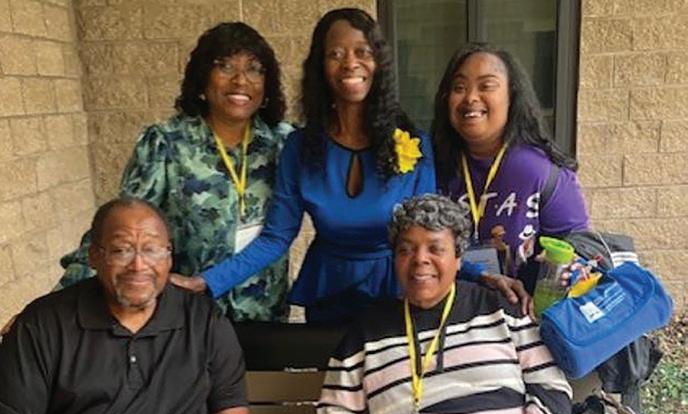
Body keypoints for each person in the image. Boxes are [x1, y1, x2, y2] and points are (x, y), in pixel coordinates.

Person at [172, 9, 526, 323]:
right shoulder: (300, 147)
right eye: (336, 54)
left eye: (362, 52)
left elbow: (433, 235)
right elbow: (276, 238)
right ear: (321, 67)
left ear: (378, 63)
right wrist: (206, 282)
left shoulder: (414, 144)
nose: (350, 63)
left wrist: (481, 275)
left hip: (398, 292)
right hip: (330, 295)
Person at [57, 22, 293, 322]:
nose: (240, 80)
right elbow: (119, 225)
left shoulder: (283, 143)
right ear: (202, 78)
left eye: (254, 69)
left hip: (266, 316)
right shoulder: (167, 144)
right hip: (188, 316)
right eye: (225, 66)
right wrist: (55, 306)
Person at [317, 194, 572, 414]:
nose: (420, 259)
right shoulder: (368, 330)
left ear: (459, 259)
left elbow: (551, 388)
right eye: (406, 250)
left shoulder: (502, 310)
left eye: (435, 249)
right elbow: (337, 412)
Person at [0, 198, 249, 414]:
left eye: (152, 250)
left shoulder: (203, 319)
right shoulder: (41, 325)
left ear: (169, 256)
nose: (139, 266)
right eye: (121, 250)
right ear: (94, 256)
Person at [432, 43, 589, 293]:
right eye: (459, 88)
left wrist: (564, 269)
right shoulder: (431, 167)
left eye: (486, 86)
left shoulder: (541, 172)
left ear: (512, 97)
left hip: (523, 310)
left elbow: (577, 247)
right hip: (448, 308)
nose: (470, 98)